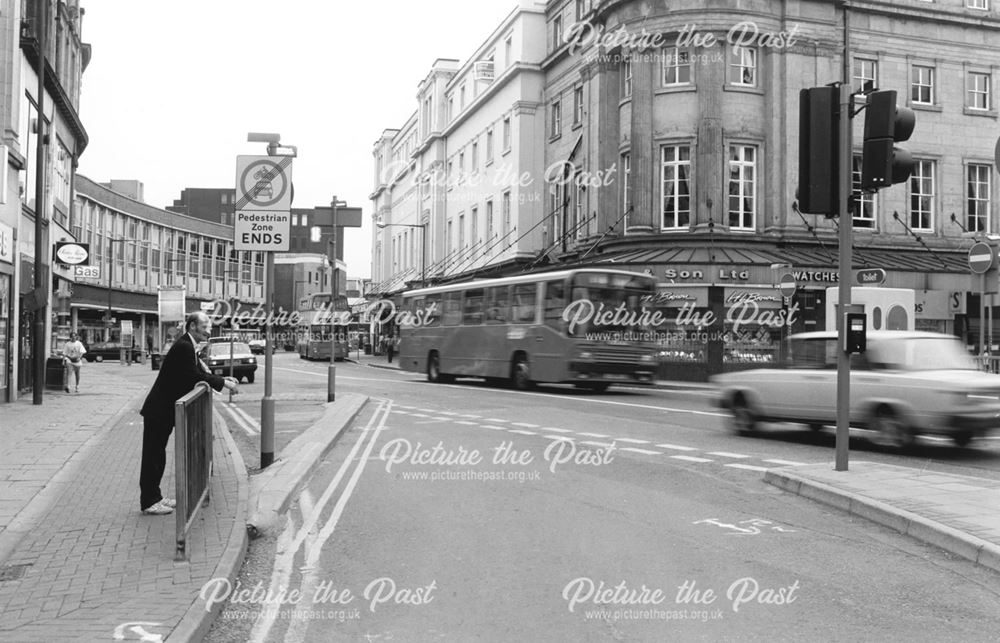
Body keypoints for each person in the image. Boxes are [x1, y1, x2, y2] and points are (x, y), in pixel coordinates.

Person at [138, 311, 238, 515]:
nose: (208, 331)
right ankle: (149, 501)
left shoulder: (188, 345)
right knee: (153, 457)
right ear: (192, 326)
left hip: (162, 410)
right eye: (204, 327)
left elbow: (198, 373)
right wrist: (225, 383)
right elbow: (192, 377)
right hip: (159, 410)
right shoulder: (184, 346)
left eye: (209, 327)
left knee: (158, 455)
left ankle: (155, 497)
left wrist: (220, 378)